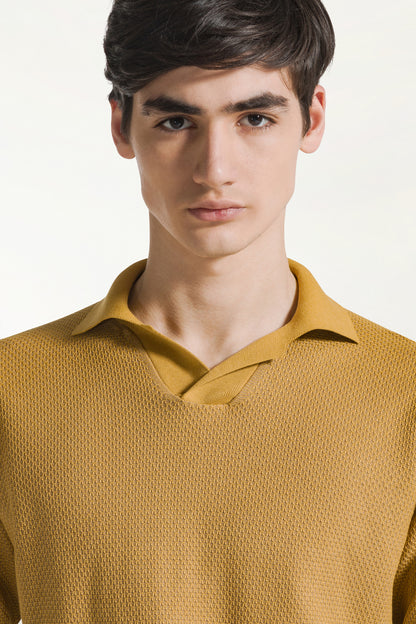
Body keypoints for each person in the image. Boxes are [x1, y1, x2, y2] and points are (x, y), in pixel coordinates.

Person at [0, 0, 415, 622]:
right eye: (175, 121)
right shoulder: (10, 388)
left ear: (312, 120)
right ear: (121, 126)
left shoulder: (406, 393)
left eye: (254, 118)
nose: (214, 169)